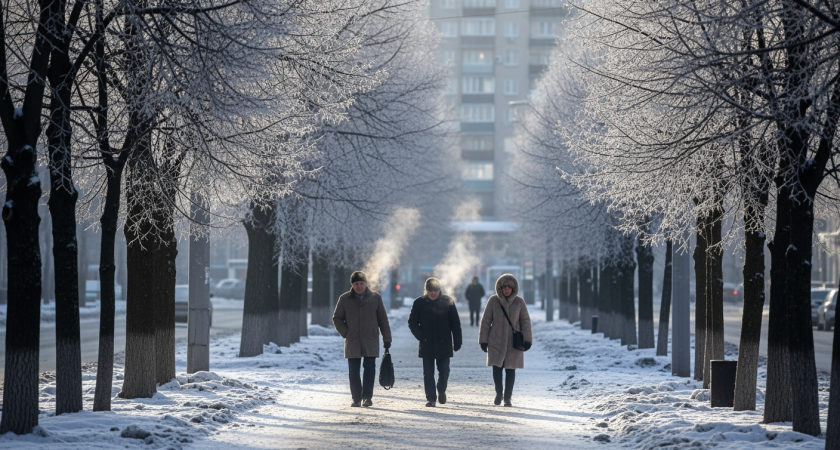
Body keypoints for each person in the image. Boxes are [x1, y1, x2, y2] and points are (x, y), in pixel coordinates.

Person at [332, 271, 392, 408]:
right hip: (352, 340)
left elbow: (383, 320)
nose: (359, 286)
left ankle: (367, 397)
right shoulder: (344, 299)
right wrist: (346, 333)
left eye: (361, 283)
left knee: (369, 370)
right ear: (352, 285)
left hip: (370, 340)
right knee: (353, 371)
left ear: (366, 284)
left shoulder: (375, 298)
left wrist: (387, 339)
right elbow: (336, 318)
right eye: (356, 284)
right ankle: (356, 398)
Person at [478, 273, 532, 407]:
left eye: (509, 287)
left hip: (513, 342)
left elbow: (525, 321)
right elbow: (486, 321)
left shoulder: (519, 302)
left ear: (513, 288)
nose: (506, 290)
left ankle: (508, 398)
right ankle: (498, 393)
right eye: (504, 287)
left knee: (510, 369)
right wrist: (483, 340)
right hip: (495, 340)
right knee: (496, 368)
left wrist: (528, 339)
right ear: (500, 288)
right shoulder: (493, 301)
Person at [408, 277, 463, 407]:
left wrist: (458, 340)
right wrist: (420, 336)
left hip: (444, 342)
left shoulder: (448, 302)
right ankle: (431, 398)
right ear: (426, 290)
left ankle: (441, 389)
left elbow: (455, 323)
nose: (433, 293)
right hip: (427, 343)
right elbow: (412, 322)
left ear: (439, 290)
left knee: (444, 371)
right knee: (428, 373)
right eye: (430, 290)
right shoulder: (419, 303)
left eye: (436, 290)